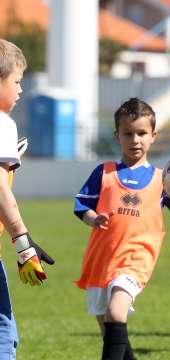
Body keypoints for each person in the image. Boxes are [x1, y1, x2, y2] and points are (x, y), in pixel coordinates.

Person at [74, 98, 170, 360]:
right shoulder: (104, 173)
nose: (135, 139)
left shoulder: (163, 180)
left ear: (153, 136)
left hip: (136, 259)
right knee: (109, 328)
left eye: (142, 133)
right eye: (128, 133)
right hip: (101, 259)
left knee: (116, 312)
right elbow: (81, 207)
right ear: (117, 136)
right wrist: (94, 218)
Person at [0, 39, 55, 359]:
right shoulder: (3, 123)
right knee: (3, 330)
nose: (21, 90)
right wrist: (22, 241)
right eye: (16, 82)